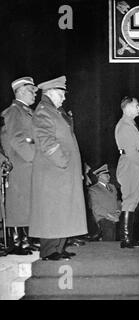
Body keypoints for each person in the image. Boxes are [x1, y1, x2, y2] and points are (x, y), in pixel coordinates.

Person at [29, 75, 87, 261]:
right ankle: (49, 251)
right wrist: (63, 162)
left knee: (63, 210)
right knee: (52, 211)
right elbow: (46, 141)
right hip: (53, 170)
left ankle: (59, 248)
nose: (64, 98)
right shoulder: (43, 111)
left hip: (63, 171)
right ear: (51, 92)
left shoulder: (56, 111)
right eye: (61, 94)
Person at [0, 77, 39, 255]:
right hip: (19, 162)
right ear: (21, 91)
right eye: (32, 90)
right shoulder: (15, 111)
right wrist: (33, 157)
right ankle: (17, 243)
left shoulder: (26, 111)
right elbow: (17, 139)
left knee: (27, 202)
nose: (35, 94)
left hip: (26, 163)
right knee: (18, 202)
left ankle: (25, 240)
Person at [115, 96, 139, 249]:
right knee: (130, 200)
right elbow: (131, 152)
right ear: (127, 108)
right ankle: (127, 239)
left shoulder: (129, 124)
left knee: (132, 200)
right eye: (137, 106)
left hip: (132, 164)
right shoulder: (125, 126)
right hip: (131, 164)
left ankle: (129, 238)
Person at [88, 164, 120, 241]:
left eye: (108, 175)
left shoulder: (112, 187)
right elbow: (96, 208)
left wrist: (118, 213)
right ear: (99, 176)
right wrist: (111, 216)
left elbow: (118, 202)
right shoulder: (93, 189)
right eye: (106, 175)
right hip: (103, 218)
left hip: (115, 217)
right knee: (109, 240)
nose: (108, 177)